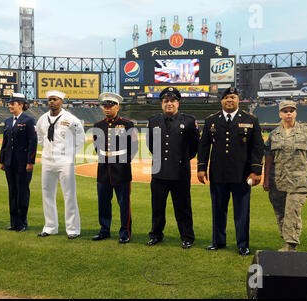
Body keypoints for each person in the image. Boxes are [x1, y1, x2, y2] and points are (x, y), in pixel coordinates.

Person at [197, 87, 264, 256]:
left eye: (232, 97)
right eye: (226, 97)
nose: (229, 100)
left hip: (241, 174)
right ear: (221, 101)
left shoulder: (250, 119)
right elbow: (204, 146)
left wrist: (256, 171)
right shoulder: (211, 120)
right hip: (218, 174)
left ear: (238, 100)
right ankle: (218, 241)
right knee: (218, 210)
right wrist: (201, 168)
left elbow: (257, 147)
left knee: (242, 212)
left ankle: (243, 244)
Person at [146, 87, 200, 248]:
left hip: (180, 172)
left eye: (172, 100)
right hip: (158, 171)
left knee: (183, 207)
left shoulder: (189, 121)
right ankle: (156, 234)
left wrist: (181, 159)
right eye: (165, 101)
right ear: (162, 104)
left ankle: (187, 237)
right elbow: (150, 145)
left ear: (178, 103)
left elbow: (194, 147)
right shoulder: (153, 121)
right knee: (157, 207)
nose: (169, 103)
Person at [263, 100, 307, 252]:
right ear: (280, 114)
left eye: (291, 110)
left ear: (295, 112)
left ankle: (290, 244)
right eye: (285, 111)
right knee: (280, 212)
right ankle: (287, 236)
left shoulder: (306, 132)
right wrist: (266, 179)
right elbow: (268, 158)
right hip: (278, 181)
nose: (288, 113)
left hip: (299, 181)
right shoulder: (274, 134)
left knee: (292, 212)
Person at [36, 90, 86, 239]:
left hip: (65, 162)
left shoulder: (70, 119)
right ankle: (50, 226)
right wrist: (47, 150)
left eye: (55, 99)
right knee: (47, 194)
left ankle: (73, 229)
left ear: (61, 101)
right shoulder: (42, 119)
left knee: (69, 195)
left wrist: (69, 153)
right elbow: (40, 137)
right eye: (50, 99)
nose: (52, 102)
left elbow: (81, 138)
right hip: (47, 161)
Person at [92, 92, 139, 244]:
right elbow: (96, 146)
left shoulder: (127, 124)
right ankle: (104, 230)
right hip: (104, 170)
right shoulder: (98, 125)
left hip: (121, 170)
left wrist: (123, 162)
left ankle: (125, 232)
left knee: (124, 204)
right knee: (103, 203)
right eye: (105, 106)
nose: (107, 109)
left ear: (117, 107)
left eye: (110, 106)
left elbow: (134, 146)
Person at [0, 93, 37, 232]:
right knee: (12, 192)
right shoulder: (8, 121)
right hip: (10, 162)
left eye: (12, 103)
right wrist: (2, 160)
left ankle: (22, 223)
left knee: (22, 193)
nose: (10, 106)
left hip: (23, 163)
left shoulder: (29, 120)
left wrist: (30, 161)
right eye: (10, 103)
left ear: (21, 105)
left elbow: (32, 142)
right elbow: (5, 142)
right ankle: (14, 222)